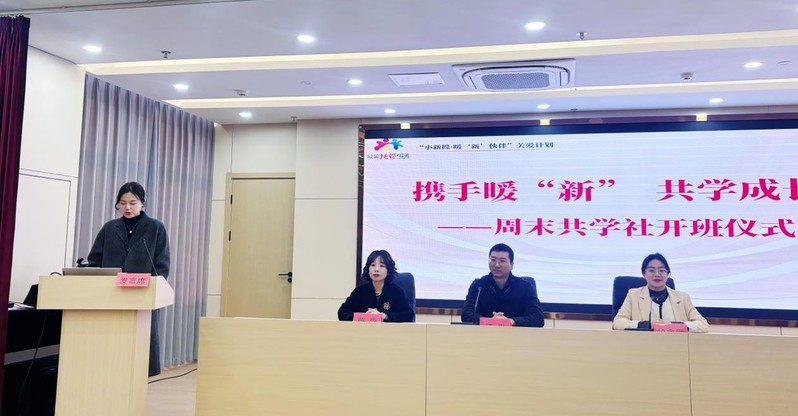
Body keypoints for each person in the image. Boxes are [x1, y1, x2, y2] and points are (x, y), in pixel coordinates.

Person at [87, 181, 171, 376]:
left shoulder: (156, 228)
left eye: (133, 203)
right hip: (111, 297)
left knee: (140, 351)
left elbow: (162, 266)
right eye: (122, 203)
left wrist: (150, 285)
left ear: (142, 203)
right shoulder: (109, 228)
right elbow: (94, 261)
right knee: (113, 352)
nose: (127, 208)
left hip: (142, 297)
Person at [613, 253, 709, 333]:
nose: (657, 274)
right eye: (651, 270)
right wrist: (647, 325)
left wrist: (675, 325)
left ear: (667, 274)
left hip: (676, 345)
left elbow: (703, 325)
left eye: (662, 270)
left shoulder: (683, 297)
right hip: (643, 344)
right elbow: (618, 322)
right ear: (644, 274)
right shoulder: (633, 295)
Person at [461, 243, 544, 327]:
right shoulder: (479, 285)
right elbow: (466, 315)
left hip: (516, 333)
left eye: (502, 261)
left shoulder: (525, 286)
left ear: (511, 264)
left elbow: (538, 318)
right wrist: (491, 321)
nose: (497, 265)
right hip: (485, 333)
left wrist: (510, 322)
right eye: (493, 260)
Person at [338, 250, 414, 322]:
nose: (376, 269)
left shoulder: (397, 292)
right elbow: (342, 312)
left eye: (382, 266)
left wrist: (384, 316)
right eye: (373, 265)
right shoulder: (359, 292)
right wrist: (364, 317)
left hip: (389, 331)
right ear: (368, 269)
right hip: (364, 330)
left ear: (388, 270)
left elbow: (408, 314)